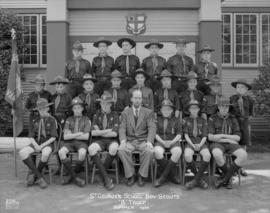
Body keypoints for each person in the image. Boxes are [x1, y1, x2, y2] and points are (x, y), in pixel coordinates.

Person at [118, 89, 156, 187]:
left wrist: (149, 141)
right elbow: (122, 128)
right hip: (130, 141)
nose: (137, 100)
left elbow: (152, 127)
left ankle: (141, 175)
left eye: (139, 98)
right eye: (135, 98)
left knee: (149, 151)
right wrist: (123, 141)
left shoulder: (148, 112)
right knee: (121, 150)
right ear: (131, 99)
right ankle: (130, 175)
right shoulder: (125, 113)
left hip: (143, 140)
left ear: (142, 100)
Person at [208, 96, 248, 189]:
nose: (224, 108)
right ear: (218, 107)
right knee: (217, 154)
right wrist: (228, 139)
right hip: (217, 144)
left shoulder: (233, 119)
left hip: (231, 144)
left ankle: (224, 179)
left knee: (243, 155)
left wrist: (221, 136)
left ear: (229, 107)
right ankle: (228, 178)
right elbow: (210, 137)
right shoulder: (212, 119)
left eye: (226, 106)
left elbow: (237, 137)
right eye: (222, 106)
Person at [19, 98, 57, 189]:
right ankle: (39, 177)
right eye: (40, 109)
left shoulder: (52, 120)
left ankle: (34, 176)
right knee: (22, 152)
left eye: (44, 108)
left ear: (47, 108)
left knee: (45, 153)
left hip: (47, 143)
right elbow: (31, 136)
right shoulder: (34, 119)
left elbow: (53, 137)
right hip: (36, 142)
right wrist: (36, 145)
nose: (42, 111)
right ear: (37, 110)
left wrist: (42, 146)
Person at [88, 92, 120, 190]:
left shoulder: (115, 115)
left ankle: (101, 176)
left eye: (107, 103)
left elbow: (114, 134)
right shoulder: (96, 115)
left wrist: (100, 131)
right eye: (103, 103)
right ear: (100, 104)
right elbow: (93, 133)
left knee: (114, 149)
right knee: (91, 149)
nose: (104, 105)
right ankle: (106, 177)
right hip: (99, 141)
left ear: (110, 104)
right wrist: (108, 130)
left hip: (112, 140)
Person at [58, 97, 90, 187]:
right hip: (69, 143)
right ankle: (75, 177)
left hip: (81, 143)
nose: (77, 110)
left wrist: (72, 134)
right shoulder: (69, 119)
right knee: (61, 152)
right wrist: (79, 133)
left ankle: (71, 176)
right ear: (72, 109)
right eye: (75, 108)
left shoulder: (86, 119)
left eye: (79, 108)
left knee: (82, 153)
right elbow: (65, 137)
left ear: (82, 108)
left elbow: (86, 136)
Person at [153, 99, 182, 187]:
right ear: (161, 110)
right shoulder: (157, 120)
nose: (166, 111)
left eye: (168, 109)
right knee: (157, 151)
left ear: (172, 110)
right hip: (161, 141)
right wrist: (163, 142)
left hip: (173, 141)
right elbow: (155, 134)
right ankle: (173, 175)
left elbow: (179, 134)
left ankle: (162, 177)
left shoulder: (176, 120)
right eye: (164, 109)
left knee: (178, 151)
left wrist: (172, 142)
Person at [183, 100, 211, 190]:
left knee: (207, 155)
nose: (194, 110)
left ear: (199, 109)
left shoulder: (203, 120)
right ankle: (199, 180)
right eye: (192, 108)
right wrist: (192, 144)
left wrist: (199, 145)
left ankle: (195, 181)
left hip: (201, 142)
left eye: (196, 108)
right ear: (189, 109)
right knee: (187, 155)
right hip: (190, 142)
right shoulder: (185, 120)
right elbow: (186, 135)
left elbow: (205, 136)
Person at [229, 79, 254, 177]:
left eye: (242, 87)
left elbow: (251, 114)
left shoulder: (250, 100)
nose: (239, 89)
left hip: (245, 123)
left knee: (243, 145)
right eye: (238, 87)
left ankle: (241, 167)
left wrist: (246, 123)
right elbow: (229, 111)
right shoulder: (232, 99)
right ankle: (234, 167)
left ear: (246, 89)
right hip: (235, 122)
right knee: (234, 144)